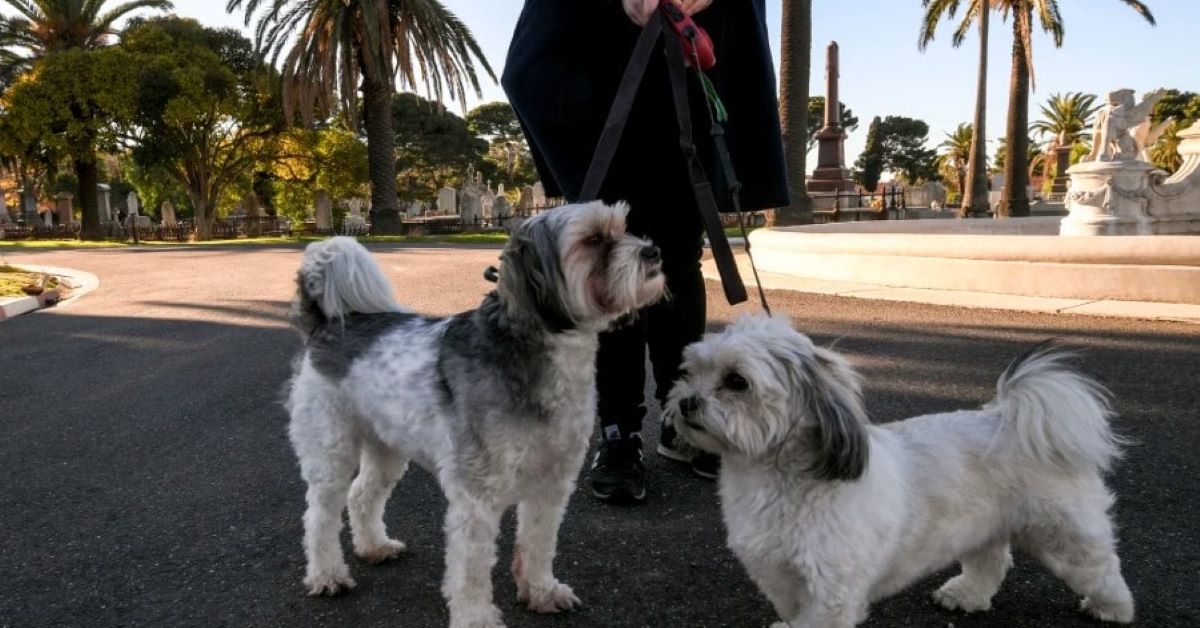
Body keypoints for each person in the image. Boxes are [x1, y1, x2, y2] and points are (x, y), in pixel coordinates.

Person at [502, 0, 789, 502]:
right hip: (596, 68)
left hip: (692, 52)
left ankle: (684, 419)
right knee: (611, 265)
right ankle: (619, 430)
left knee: (678, 253)